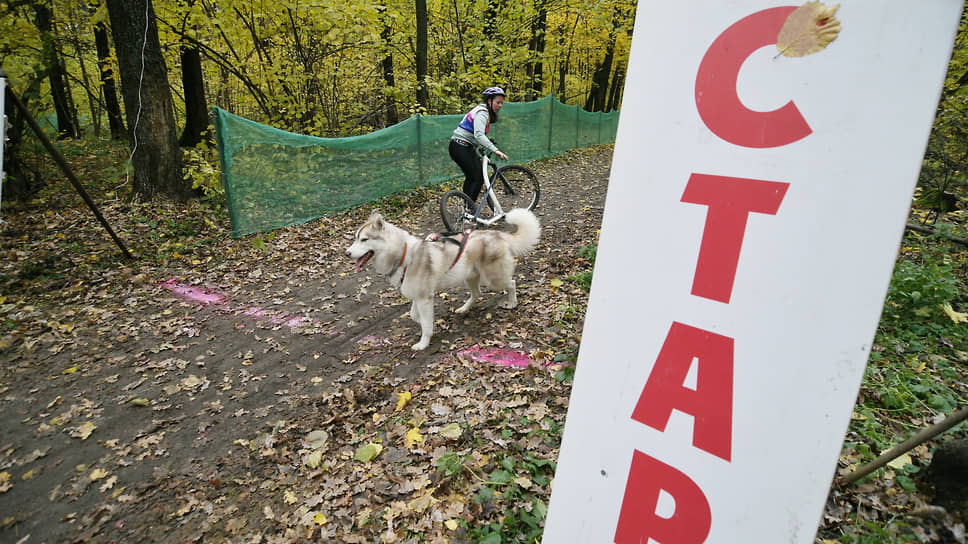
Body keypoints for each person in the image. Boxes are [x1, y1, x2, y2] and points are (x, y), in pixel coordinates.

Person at [448, 86, 509, 205]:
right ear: (489, 101)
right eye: (498, 102)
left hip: (461, 146)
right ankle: (470, 210)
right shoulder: (482, 113)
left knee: (472, 177)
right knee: (478, 177)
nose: (500, 105)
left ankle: (466, 208)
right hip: (460, 146)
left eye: (502, 103)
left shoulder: (483, 111)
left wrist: (484, 142)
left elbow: (475, 134)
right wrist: (495, 150)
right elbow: (479, 135)